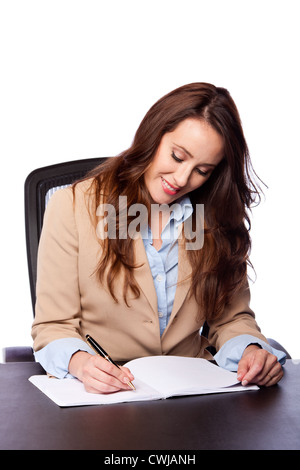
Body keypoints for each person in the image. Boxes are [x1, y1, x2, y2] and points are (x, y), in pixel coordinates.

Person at [32, 82, 285, 394]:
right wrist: (80, 362)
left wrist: (251, 352)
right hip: (107, 395)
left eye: (202, 170)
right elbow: (53, 326)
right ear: (154, 135)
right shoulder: (72, 206)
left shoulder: (210, 219)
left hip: (195, 397)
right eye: (178, 156)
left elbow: (231, 321)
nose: (181, 180)